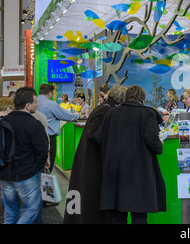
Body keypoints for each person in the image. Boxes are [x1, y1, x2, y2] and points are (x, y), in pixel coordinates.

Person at [98, 85, 166, 224]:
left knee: (117, 215)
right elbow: (153, 142)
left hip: (115, 172)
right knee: (139, 216)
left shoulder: (112, 113)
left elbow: (99, 137)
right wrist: (159, 144)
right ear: (142, 98)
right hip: (139, 173)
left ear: (126, 97)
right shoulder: (147, 113)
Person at [64, 85, 127, 224]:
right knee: (90, 200)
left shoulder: (105, 107)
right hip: (93, 162)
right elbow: (94, 133)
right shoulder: (106, 109)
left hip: (90, 160)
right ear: (121, 99)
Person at [0, 87, 49, 224]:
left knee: (10, 212)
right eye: (35, 102)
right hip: (26, 175)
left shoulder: (4, 121)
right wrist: (36, 168)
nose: (37, 104)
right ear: (28, 105)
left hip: (5, 175)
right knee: (31, 210)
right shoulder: (34, 124)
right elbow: (42, 151)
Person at [37, 84, 80, 173]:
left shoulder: (33, 102)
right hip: (48, 139)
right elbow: (65, 115)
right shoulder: (51, 104)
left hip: (34, 138)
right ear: (49, 93)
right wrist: (78, 115)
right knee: (47, 168)